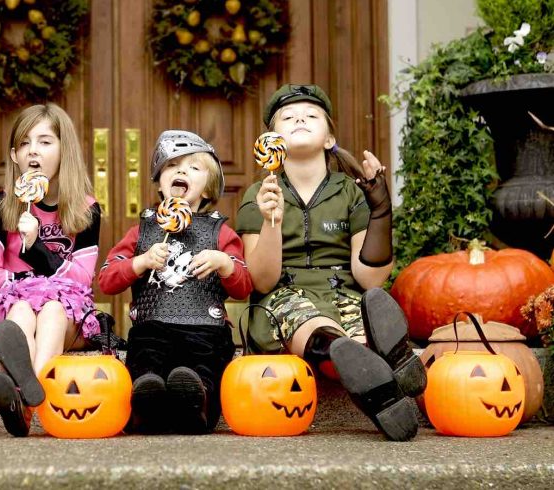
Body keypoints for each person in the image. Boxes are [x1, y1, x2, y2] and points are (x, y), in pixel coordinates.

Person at [235, 84, 426, 441]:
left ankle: (386, 356)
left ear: (328, 139)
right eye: (288, 118)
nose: (300, 119)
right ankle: (370, 363)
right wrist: (270, 219)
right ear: (271, 142)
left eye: (311, 115)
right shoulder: (257, 195)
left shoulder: (351, 191)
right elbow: (261, 281)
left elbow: (370, 278)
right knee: (312, 321)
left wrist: (381, 210)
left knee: (361, 312)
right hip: (283, 295)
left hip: (345, 291)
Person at [99, 130, 252, 434]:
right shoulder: (142, 230)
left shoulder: (220, 232)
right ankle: (146, 402)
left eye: (194, 167)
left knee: (201, 370)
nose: (181, 170)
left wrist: (223, 263)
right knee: (147, 363)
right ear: (159, 181)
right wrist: (140, 262)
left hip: (205, 332)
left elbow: (244, 286)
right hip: (153, 327)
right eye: (172, 165)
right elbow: (106, 280)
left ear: (208, 190)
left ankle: (198, 403)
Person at [0, 103, 101, 437]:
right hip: (16, 304)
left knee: (52, 309)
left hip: (68, 316)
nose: (34, 150)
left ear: (64, 150)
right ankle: (28, 396)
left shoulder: (86, 209)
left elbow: (82, 278)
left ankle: (25, 399)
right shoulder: (4, 205)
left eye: (45, 141)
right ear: (15, 156)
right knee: (21, 307)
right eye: (24, 143)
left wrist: (36, 247)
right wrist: (24, 280)